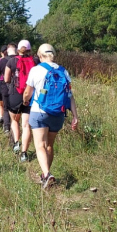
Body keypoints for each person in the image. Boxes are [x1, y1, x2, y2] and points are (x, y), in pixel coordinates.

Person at [24, 43, 78, 189]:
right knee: (49, 145)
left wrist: (25, 100)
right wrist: (75, 115)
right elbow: (70, 95)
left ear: (40, 56)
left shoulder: (36, 70)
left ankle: (47, 174)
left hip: (39, 112)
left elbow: (28, 93)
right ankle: (45, 175)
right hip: (58, 114)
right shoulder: (63, 71)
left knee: (40, 145)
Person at [4, 40, 38, 162]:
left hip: (16, 94)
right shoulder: (36, 61)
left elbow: (7, 78)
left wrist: (11, 87)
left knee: (14, 120)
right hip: (30, 94)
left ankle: (17, 143)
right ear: (30, 49)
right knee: (26, 125)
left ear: (18, 49)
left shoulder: (12, 61)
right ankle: (24, 153)